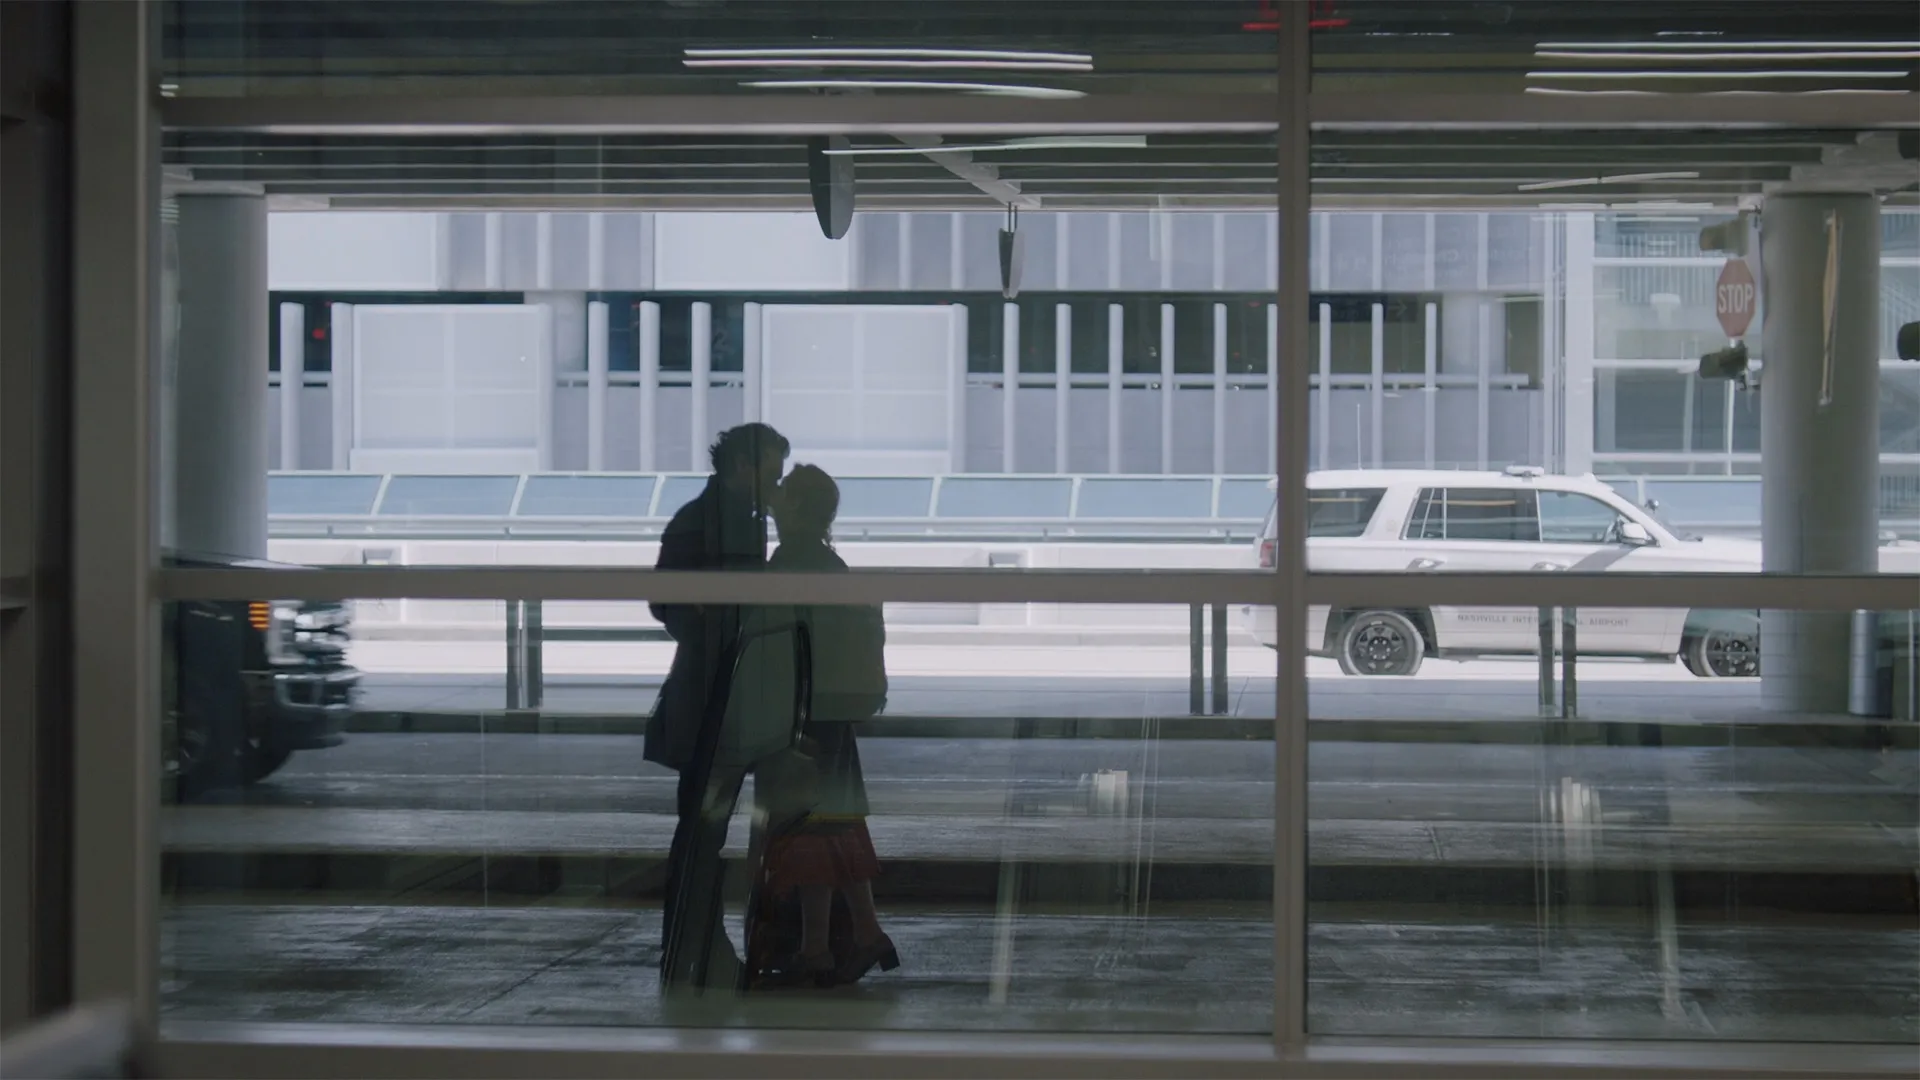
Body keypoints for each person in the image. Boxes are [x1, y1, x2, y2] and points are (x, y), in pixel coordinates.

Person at [745, 464, 897, 989]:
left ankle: (816, 948)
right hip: (834, 714)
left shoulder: (787, 565)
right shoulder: (835, 566)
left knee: (807, 829)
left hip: (797, 719)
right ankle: (864, 930)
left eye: (782, 497)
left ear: (796, 509)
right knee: (836, 823)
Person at [649, 422, 789, 988]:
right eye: (771, 473)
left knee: (702, 830)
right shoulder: (710, 523)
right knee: (703, 832)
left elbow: (668, 605)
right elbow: (672, 604)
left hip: (716, 696)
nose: (775, 485)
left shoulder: (712, 518)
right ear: (742, 468)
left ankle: (695, 948)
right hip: (717, 701)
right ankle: (694, 948)